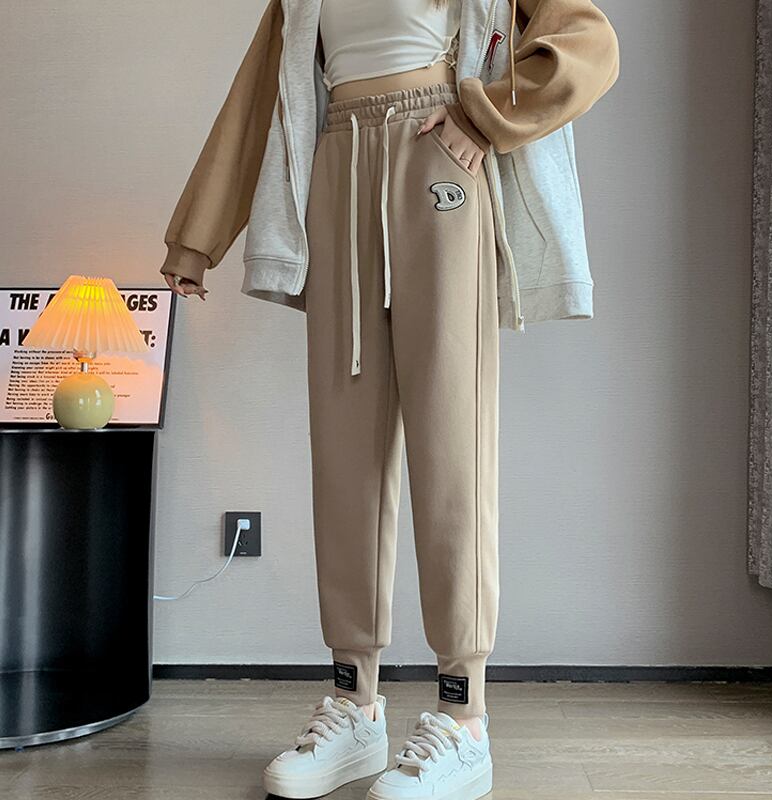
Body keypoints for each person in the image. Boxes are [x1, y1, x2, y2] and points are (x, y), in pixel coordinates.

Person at [159, 1, 619, 798]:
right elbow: (258, 94)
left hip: (437, 160)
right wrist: (196, 237)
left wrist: (485, 118)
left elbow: (588, 43)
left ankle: (463, 716)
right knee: (345, 452)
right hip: (338, 162)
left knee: (452, 446)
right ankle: (354, 703)